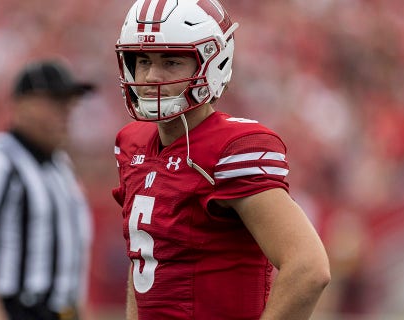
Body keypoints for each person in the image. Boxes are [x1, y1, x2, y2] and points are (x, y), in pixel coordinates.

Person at [111, 0, 331, 319]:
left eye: (171, 62)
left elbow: (308, 268)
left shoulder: (233, 147)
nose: (151, 75)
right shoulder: (132, 143)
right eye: (143, 60)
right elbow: (145, 262)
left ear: (212, 63)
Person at [0, 59, 94, 320]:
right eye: (55, 101)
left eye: (68, 103)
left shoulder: (61, 167)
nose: (66, 112)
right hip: (18, 310)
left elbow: (71, 262)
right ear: (22, 105)